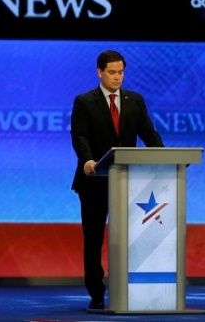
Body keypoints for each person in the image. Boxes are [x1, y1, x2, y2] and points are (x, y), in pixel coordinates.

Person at [70, 50, 164, 310]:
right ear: (99, 72)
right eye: (112, 72)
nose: (117, 77)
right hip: (94, 182)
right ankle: (97, 292)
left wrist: (164, 158)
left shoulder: (134, 100)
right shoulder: (84, 101)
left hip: (128, 184)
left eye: (121, 72)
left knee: (132, 237)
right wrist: (87, 160)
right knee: (93, 238)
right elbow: (80, 137)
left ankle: (132, 287)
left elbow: (148, 133)